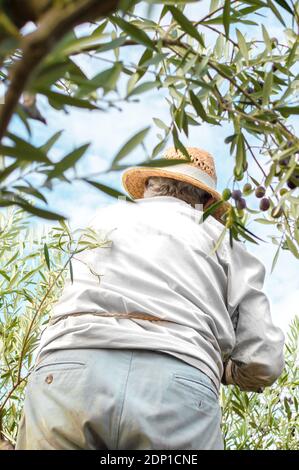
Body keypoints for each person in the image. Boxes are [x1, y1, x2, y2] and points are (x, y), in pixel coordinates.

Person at [16, 147, 285, 450]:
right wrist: (230, 371)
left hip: (68, 370)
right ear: (207, 201)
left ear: (147, 188)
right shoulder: (222, 239)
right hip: (177, 384)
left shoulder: (105, 219)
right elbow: (264, 360)